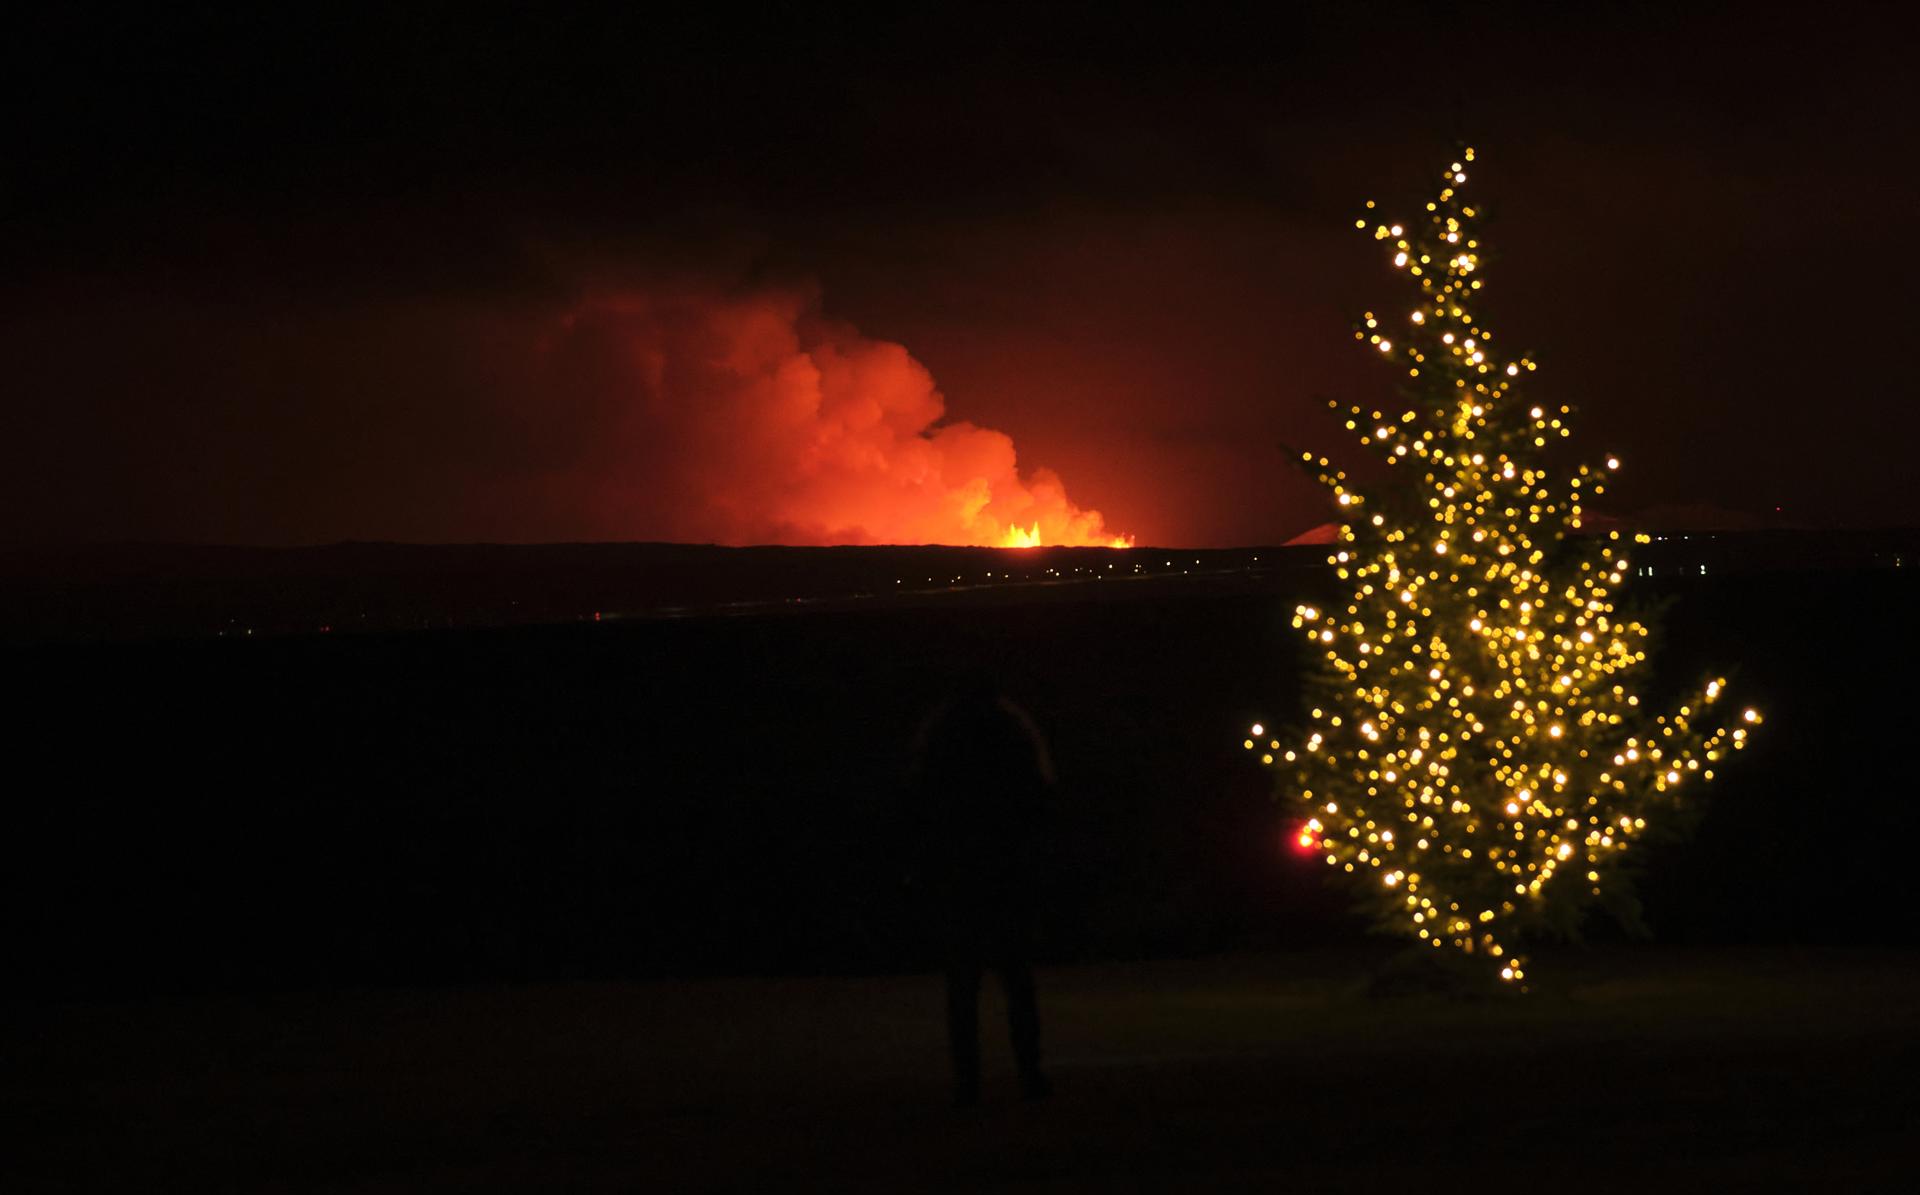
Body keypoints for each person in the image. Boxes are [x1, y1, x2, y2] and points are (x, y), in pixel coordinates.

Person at [909, 672, 1055, 1108]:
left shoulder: (941, 729)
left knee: (963, 986)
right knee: (1017, 981)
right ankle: (1029, 1075)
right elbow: (1042, 791)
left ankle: (968, 1082)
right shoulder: (1012, 726)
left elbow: (917, 795)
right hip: (1004, 872)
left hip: (961, 874)